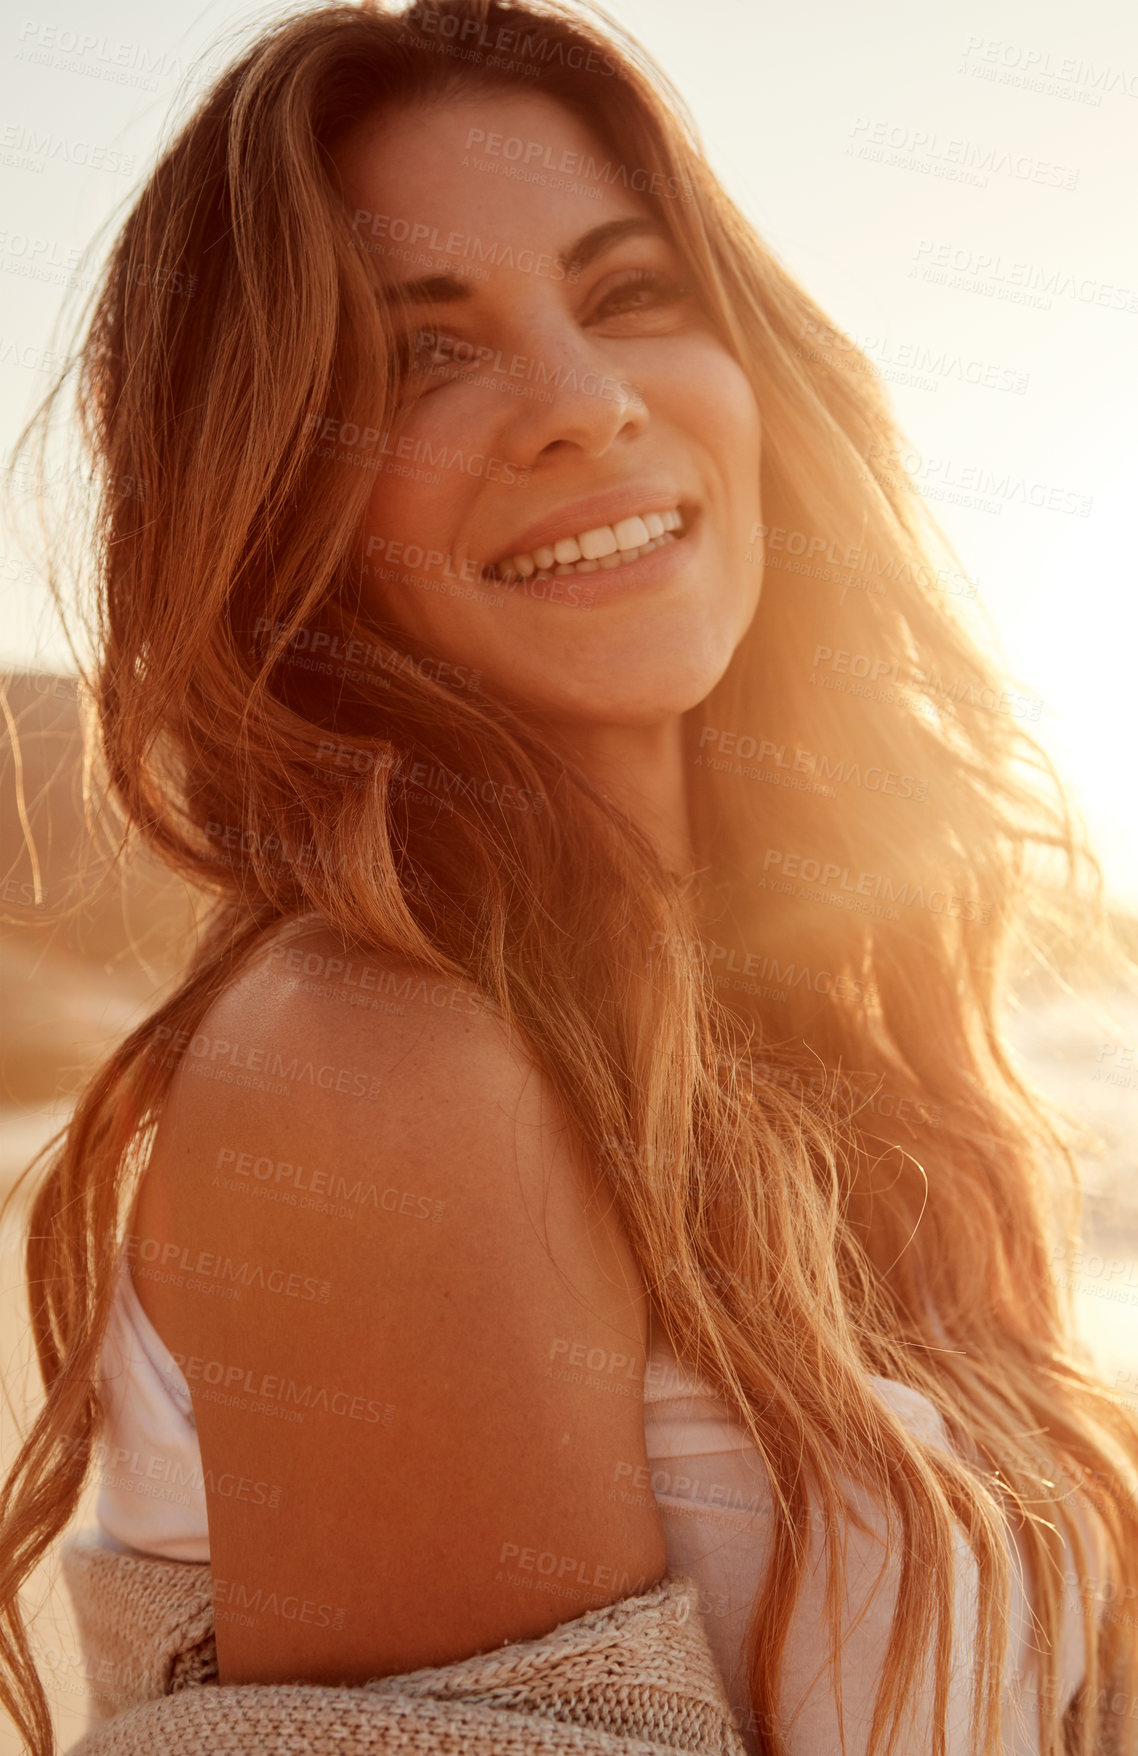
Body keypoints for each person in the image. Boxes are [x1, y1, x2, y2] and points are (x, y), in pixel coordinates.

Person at [2, 2, 1136, 1752]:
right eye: (419, 362)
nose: (585, 408)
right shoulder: (375, 1068)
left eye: (626, 298)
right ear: (271, 501)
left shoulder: (846, 1042)